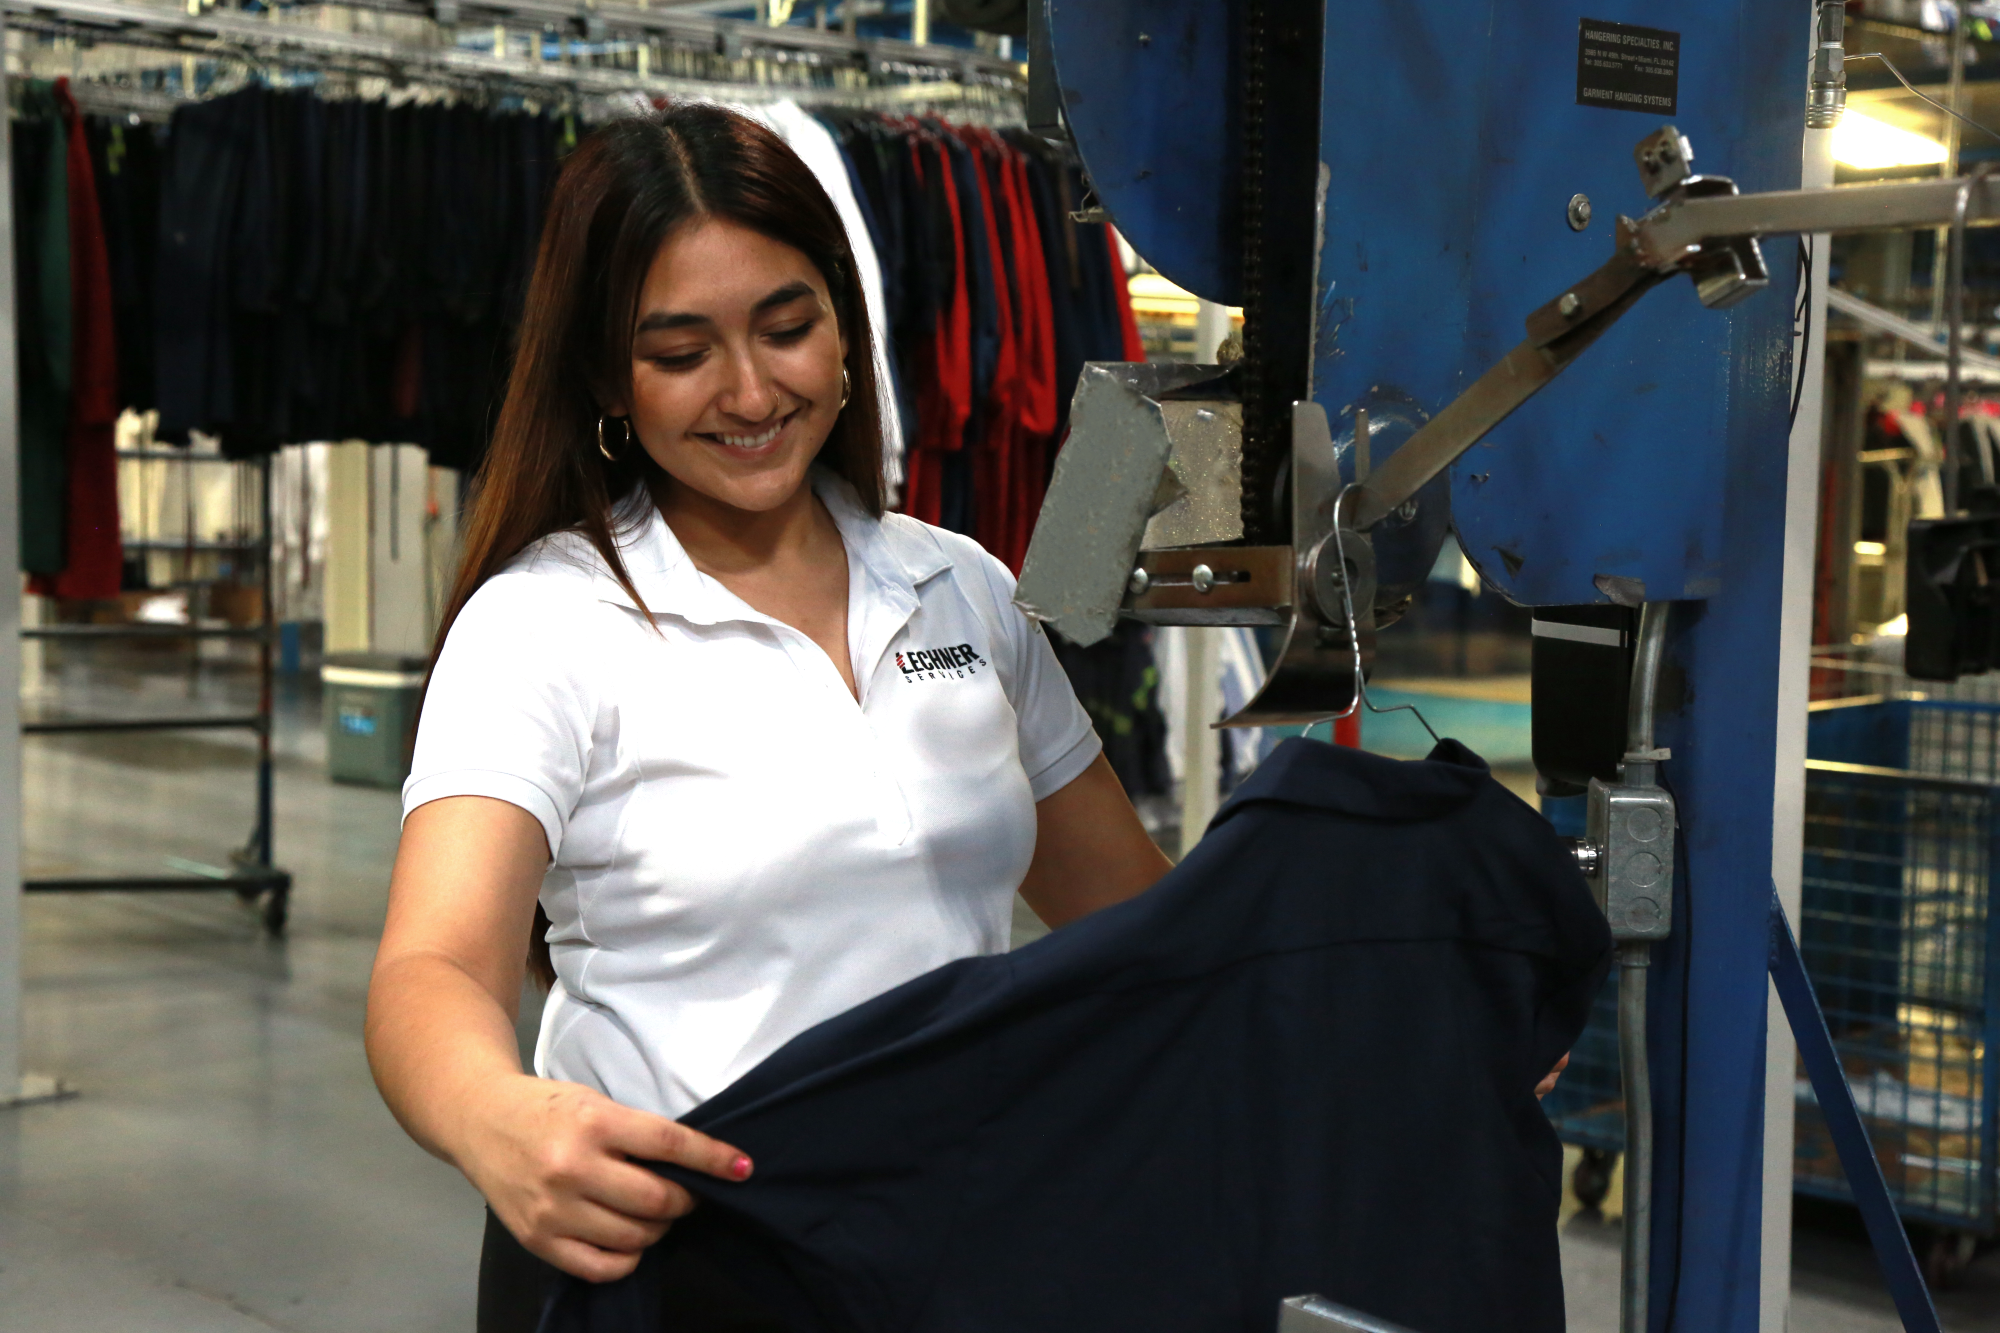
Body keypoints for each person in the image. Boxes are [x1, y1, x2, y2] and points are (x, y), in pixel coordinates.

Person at [362, 103, 1174, 1330]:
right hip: (682, 1265)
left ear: (845, 327)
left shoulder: (963, 584)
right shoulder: (545, 625)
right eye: (680, 352)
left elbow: (1140, 925)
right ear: (605, 377)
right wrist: (500, 1120)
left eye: (785, 327)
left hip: (952, 1241)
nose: (748, 390)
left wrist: (1389, 1006)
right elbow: (432, 967)